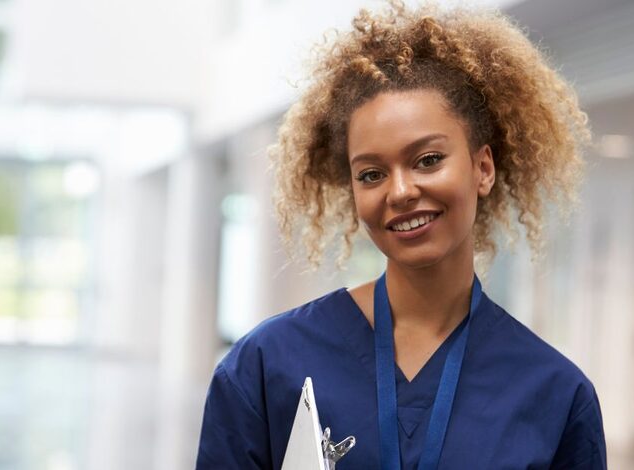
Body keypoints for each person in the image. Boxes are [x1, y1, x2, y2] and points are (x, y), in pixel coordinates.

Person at [196, 2, 607, 469]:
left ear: (483, 168)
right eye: (371, 174)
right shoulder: (269, 363)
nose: (401, 191)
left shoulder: (554, 393)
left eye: (428, 160)